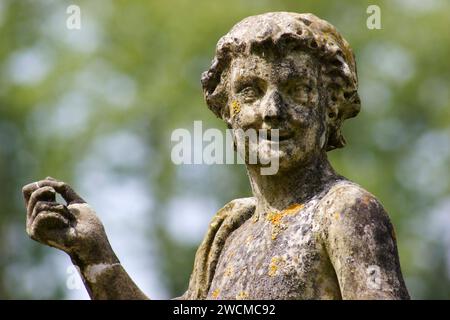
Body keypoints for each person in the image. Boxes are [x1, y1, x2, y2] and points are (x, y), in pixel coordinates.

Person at [22, 12, 409, 299]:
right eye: (250, 92)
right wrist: (94, 255)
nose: (272, 110)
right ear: (227, 110)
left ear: (330, 106)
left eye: (296, 89)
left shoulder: (344, 213)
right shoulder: (230, 229)